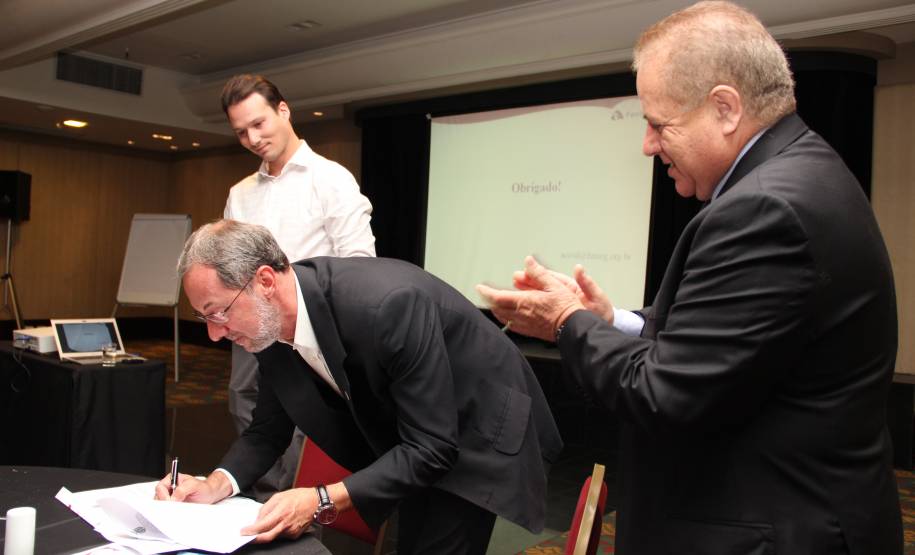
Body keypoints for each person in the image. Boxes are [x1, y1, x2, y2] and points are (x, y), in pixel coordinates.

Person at [477, 2, 903, 554]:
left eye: (658, 124)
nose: (649, 146)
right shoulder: (803, 171)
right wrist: (616, 322)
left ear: (725, 108)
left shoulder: (765, 208)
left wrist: (567, 321)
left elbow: (664, 394)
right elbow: (734, 339)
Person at [157, 219, 563, 554]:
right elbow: (267, 429)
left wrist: (320, 499)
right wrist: (215, 484)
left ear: (264, 280)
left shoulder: (386, 305)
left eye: (218, 313)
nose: (214, 334)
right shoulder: (265, 327)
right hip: (416, 430)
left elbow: (433, 448)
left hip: (479, 426)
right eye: (204, 318)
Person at [221, 74, 376, 497]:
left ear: (283, 110)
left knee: (309, 420)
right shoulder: (240, 193)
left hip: (308, 328)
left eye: (259, 124)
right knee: (248, 407)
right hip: (251, 328)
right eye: (241, 132)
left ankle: (301, 510)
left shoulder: (331, 178)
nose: (252, 138)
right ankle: (260, 502)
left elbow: (360, 263)